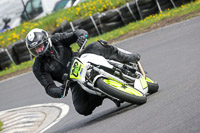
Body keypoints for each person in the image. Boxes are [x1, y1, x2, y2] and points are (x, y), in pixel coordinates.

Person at [26, 28, 140, 116]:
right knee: (82, 108)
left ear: (46, 41)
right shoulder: (38, 67)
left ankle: (125, 57)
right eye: (35, 49)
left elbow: (76, 33)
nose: (38, 50)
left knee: (96, 45)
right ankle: (105, 93)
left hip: (82, 59)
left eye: (40, 46)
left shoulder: (56, 39)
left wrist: (81, 36)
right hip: (74, 80)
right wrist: (59, 90)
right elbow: (49, 87)